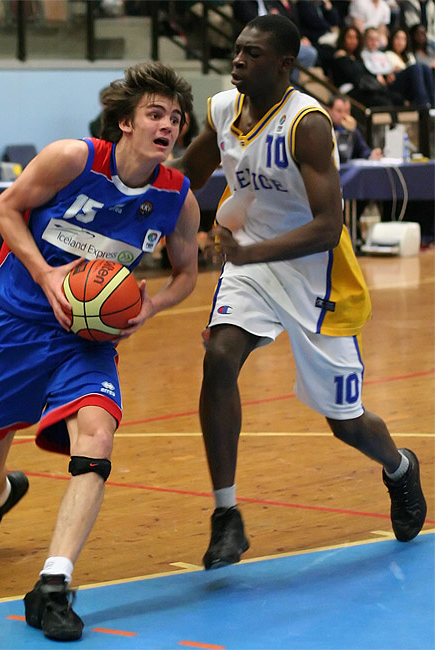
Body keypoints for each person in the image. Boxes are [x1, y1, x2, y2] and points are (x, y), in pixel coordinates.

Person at [169, 14, 427, 571]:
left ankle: (400, 467)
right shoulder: (224, 110)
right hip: (251, 263)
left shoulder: (306, 124)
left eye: (253, 53)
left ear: (285, 64)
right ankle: (226, 515)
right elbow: (186, 174)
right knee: (219, 357)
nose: (238, 60)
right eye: (237, 50)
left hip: (315, 273)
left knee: (345, 422)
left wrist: (249, 253)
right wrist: (125, 182)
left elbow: (329, 226)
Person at [0, 61, 200, 642]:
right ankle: (1, 494)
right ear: (126, 122)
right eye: (155, 114)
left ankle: (54, 583)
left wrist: (152, 306)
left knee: (97, 434)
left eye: (175, 118)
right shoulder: (73, 158)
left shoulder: (177, 197)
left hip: (87, 341)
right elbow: (4, 208)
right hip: (19, 325)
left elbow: (188, 273)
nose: (167, 125)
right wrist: (45, 275)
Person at [232, 0, 319, 83]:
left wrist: (299, 37)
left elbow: (284, 21)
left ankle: (288, 85)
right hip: (255, 41)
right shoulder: (243, 2)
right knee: (308, 53)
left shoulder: (268, 2)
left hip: (274, 39)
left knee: (308, 53)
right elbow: (253, 25)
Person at [361, 26, 434, 105]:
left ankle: (433, 103)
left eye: (403, 39)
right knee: (416, 68)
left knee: (425, 68)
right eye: (397, 38)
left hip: (409, 83)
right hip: (393, 84)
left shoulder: (408, 55)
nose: (400, 42)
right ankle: (423, 104)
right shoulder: (386, 54)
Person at [327, 94, 383, 161]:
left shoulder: (352, 129)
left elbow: (363, 151)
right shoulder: (325, 128)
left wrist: (372, 155)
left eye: (347, 111)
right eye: (339, 111)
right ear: (329, 110)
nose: (344, 115)